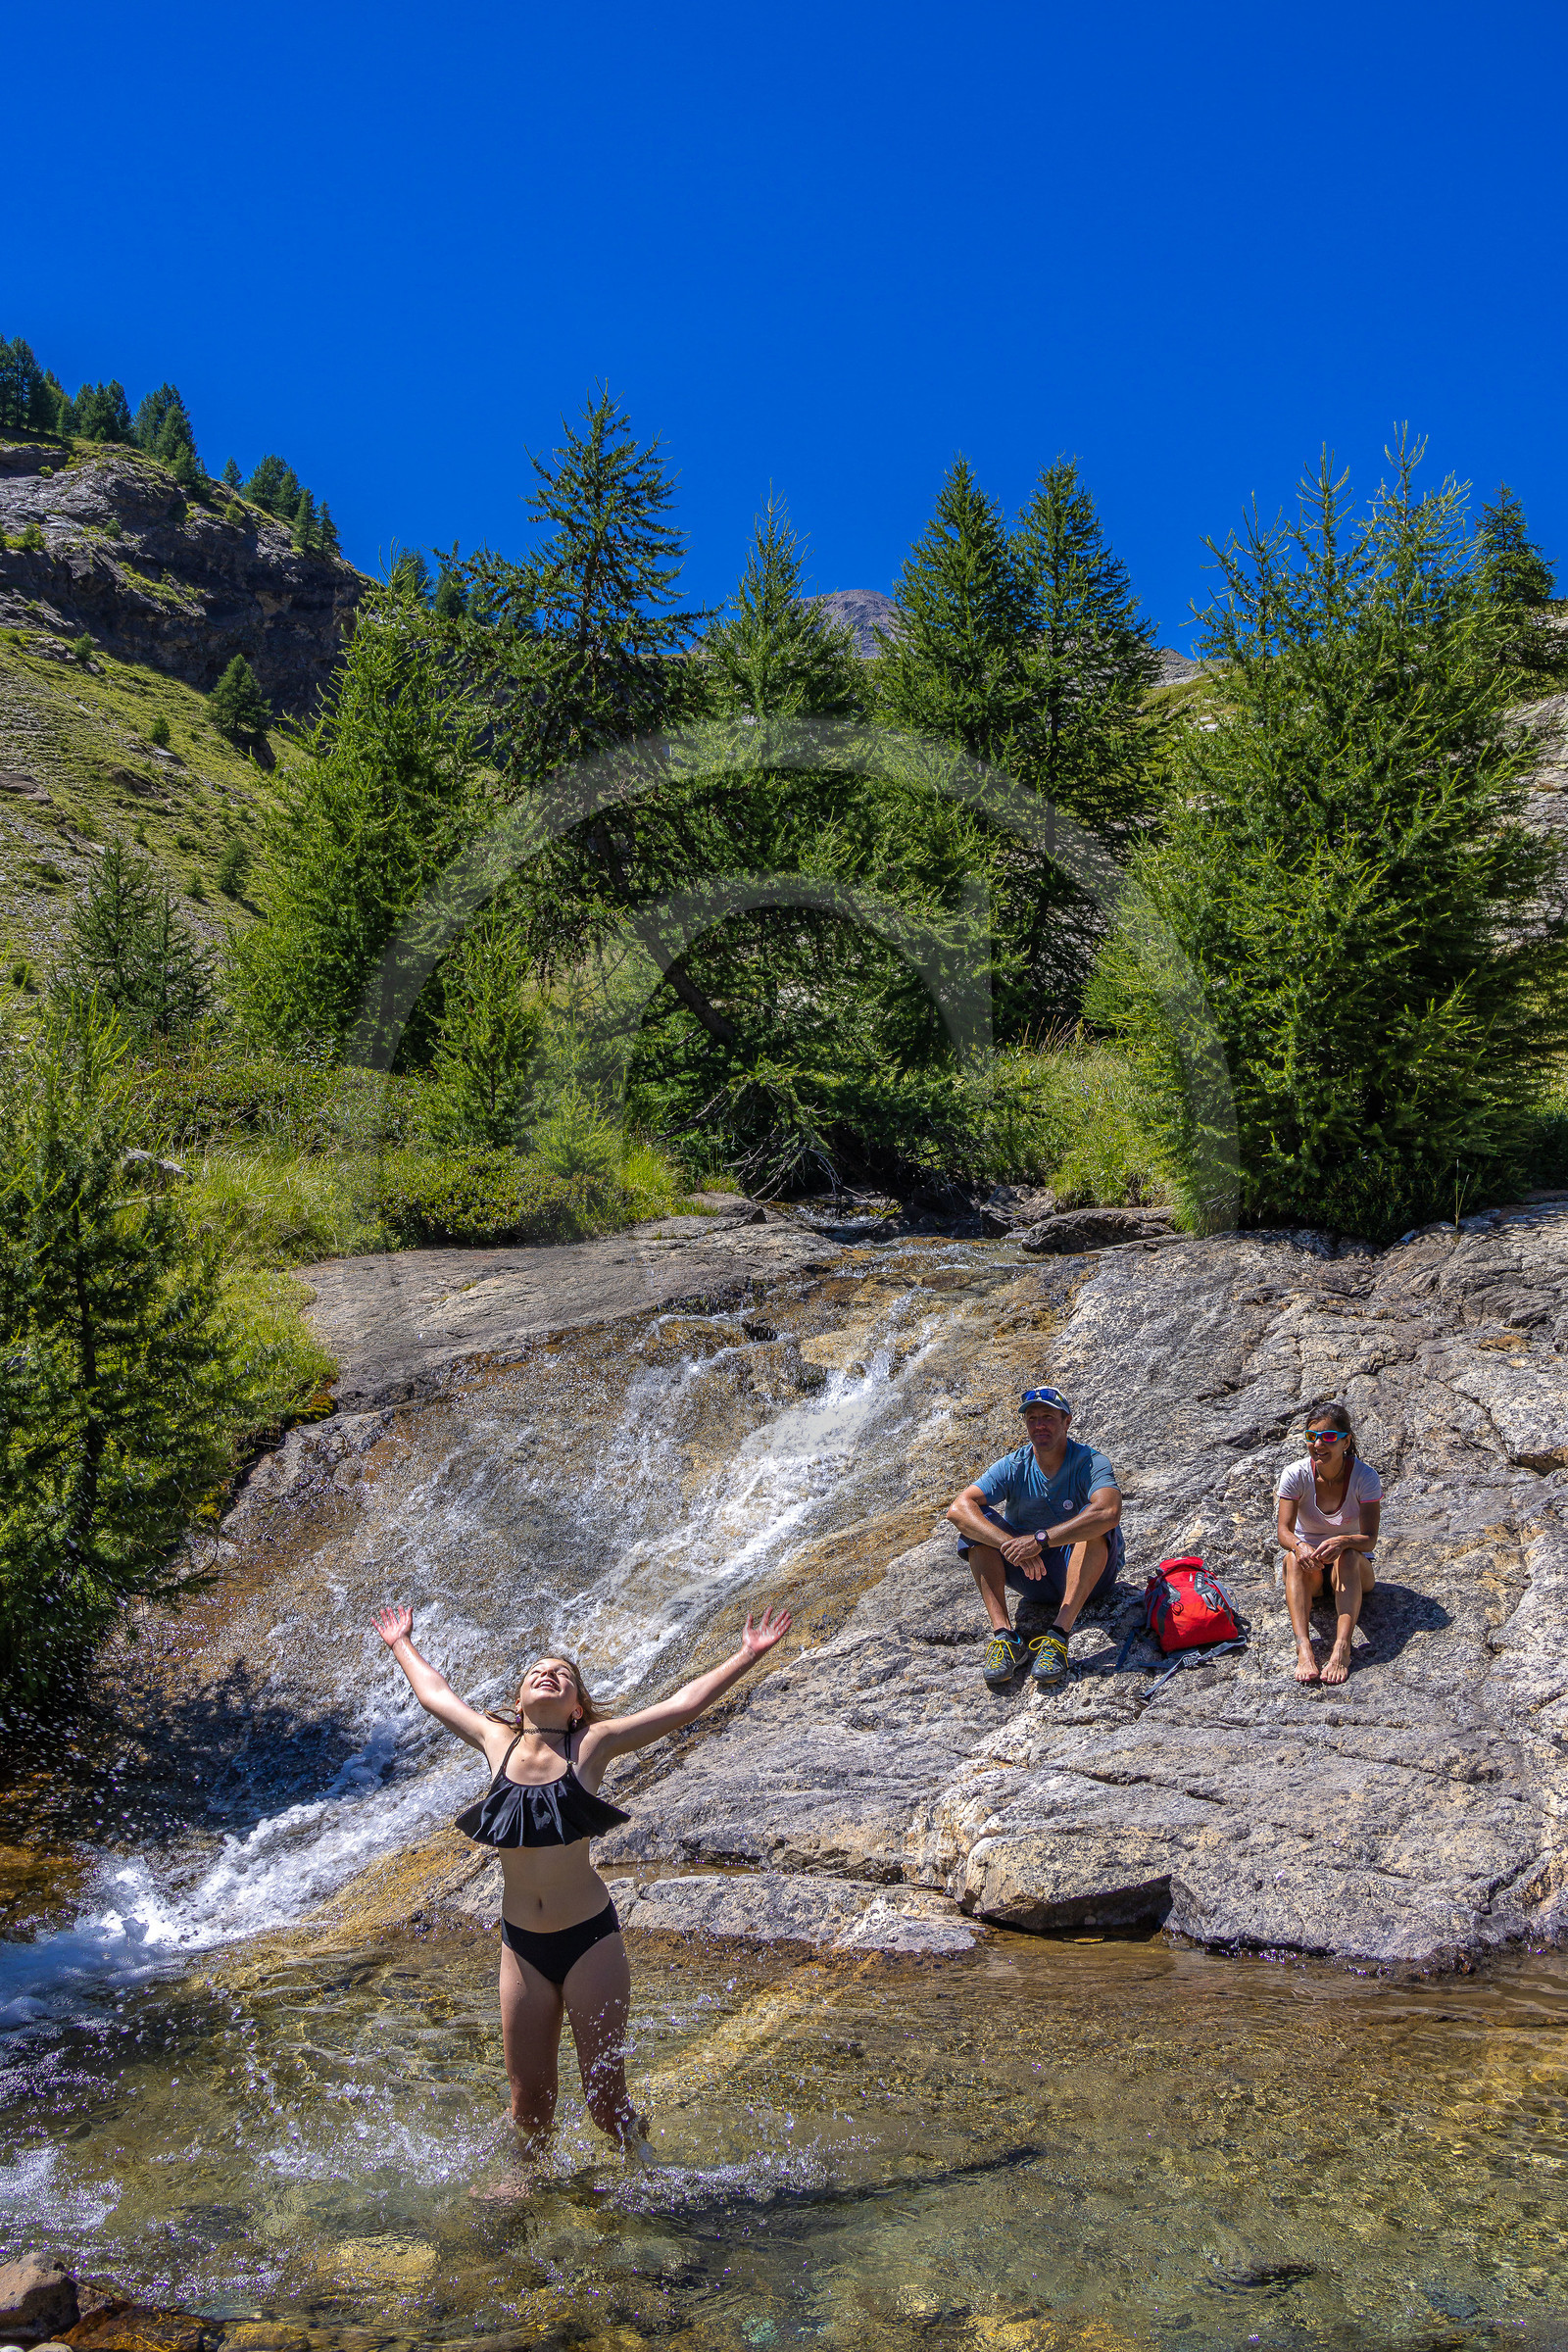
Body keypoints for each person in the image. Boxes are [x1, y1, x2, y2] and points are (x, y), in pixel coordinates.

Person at [371, 1600, 792, 2154]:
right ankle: (524, 2191)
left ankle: (642, 2166)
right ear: (519, 1704)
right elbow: (436, 1695)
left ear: (576, 1708)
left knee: (605, 2103)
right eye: (536, 1673)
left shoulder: (590, 1745)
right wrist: (401, 1643)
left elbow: (682, 1705)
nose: (549, 1674)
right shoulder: (495, 1742)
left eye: (564, 1675)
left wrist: (746, 1655)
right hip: (520, 1946)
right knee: (529, 2108)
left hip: (589, 1940)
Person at [945, 1386, 1124, 1690]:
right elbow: (958, 1508)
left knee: (1095, 1526)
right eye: (1032, 1419)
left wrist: (1040, 1540)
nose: (1039, 1425)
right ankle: (1004, 1636)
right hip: (1032, 1575)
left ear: (1067, 1421)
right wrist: (1009, 1545)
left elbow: (1108, 1511)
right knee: (974, 1529)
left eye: (1048, 1417)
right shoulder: (1015, 1465)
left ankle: (1058, 1637)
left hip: (1087, 1577)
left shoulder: (1089, 1462)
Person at [1276, 1402, 1381, 1686]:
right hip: (1310, 1566)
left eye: (1329, 1437)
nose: (1319, 1444)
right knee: (1290, 1559)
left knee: (1347, 1555)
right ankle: (1304, 1649)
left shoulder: (1365, 1477)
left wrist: (1344, 1540)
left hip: (1351, 1569)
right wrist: (1299, 1546)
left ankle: (1342, 1647)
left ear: (1346, 1441)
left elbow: (1369, 1539)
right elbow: (1284, 1532)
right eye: (1312, 1437)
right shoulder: (1296, 1474)